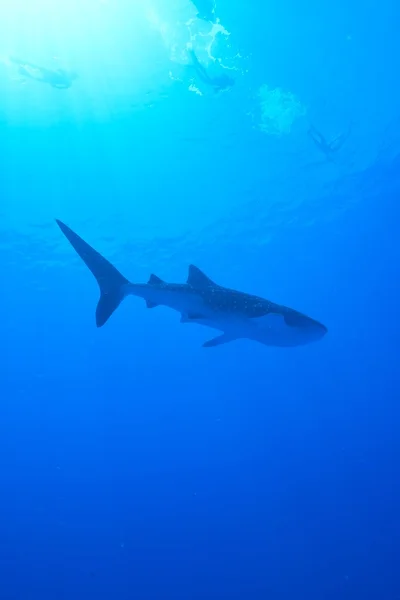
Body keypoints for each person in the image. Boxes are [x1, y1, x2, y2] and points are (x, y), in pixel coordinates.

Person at [9, 57, 77, 89]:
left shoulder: (68, 81)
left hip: (50, 76)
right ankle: (20, 67)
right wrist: (54, 85)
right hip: (49, 76)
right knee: (35, 72)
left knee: (35, 70)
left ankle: (20, 67)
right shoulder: (68, 81)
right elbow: (60, 70)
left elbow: (59, 70)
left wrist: (54, 85)